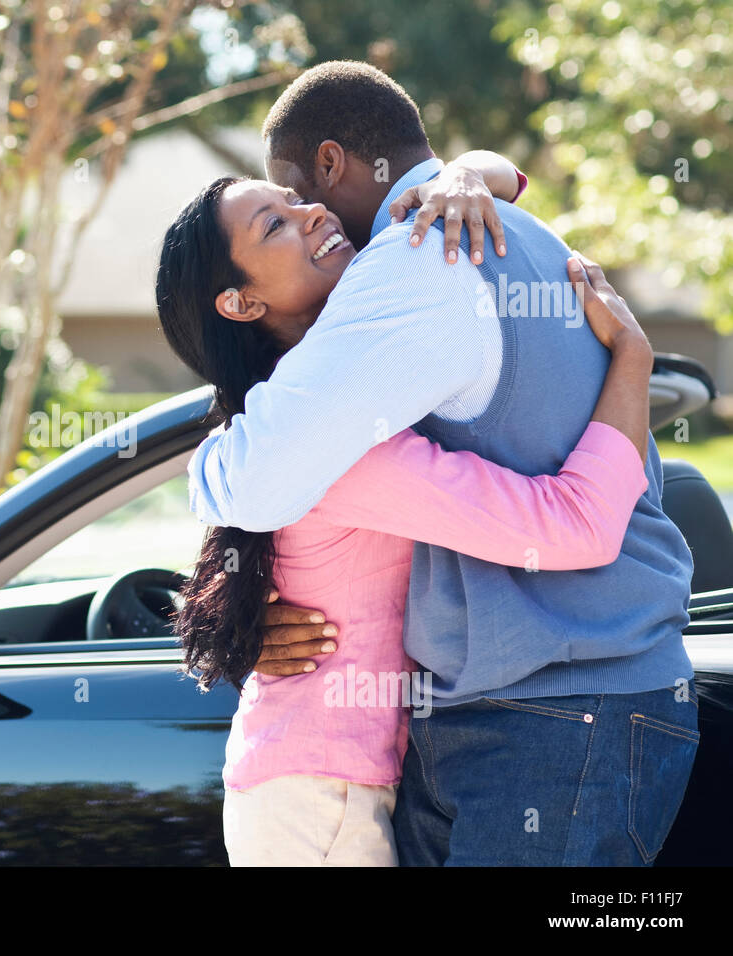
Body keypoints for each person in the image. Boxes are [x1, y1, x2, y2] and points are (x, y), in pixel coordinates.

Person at [184, 61, 698, 866]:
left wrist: (206, 468)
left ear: (329, 162)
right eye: (278, 220)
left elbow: (249, 481)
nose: (312, 212)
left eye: (293, 193)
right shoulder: (508, 231)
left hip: (556, 707)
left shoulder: (417, 258)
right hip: (520, 710)